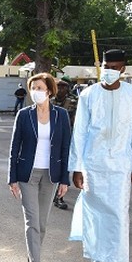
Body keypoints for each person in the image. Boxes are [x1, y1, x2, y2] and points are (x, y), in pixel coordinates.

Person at [69, 49, 132, 262]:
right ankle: (97, 261)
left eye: (115, 66)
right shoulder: (88, 94)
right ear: (100, 65)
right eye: (106, 65)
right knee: (94, 216)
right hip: (93, 165)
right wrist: (77, 167)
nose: (110, 70)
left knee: (117, 217)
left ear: (124, 69)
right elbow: (79, 132)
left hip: (121, 167)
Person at [8, 73, 71, 262]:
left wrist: (65, 179)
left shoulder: (61, 115)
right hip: (27, 175)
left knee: (41, 225)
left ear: (50, 91)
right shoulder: (24, 115)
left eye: (40, 88)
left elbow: (65, 148)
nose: (35, 91)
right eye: (32, 87)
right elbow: (14, 147)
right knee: (32, 222)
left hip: (50, 176)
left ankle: (32, 256)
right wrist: (12, 178)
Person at [51, 76, 77, 210]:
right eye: (58, 86)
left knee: (64, 168)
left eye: (63, 86)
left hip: (68, 139)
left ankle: (59, 196)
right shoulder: (49, 101)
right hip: (50, 140)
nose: (60, 89)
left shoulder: (74, 102)